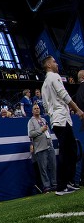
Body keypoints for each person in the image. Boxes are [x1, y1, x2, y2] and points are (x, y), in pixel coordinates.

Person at [41, 55, 84, 196]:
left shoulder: (44, 84)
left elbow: (46, 106)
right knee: (67, 151)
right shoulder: (54, 77)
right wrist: (77, 109)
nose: (57, 64)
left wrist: (54, 114)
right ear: (48, 65)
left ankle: (68, 182)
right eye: (54, 62)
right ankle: (61, 186)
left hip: (57, 119)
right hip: (62, 119)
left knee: (70, 149)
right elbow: (64, 94)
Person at [28, 104, 57, 193]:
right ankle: (46, 186)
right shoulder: (31, 121)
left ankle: (54, 184)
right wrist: (41, 130)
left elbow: (47, 131)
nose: (37, 110)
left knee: (53, 166)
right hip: (40, 147)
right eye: (35, 109)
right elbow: (30, 134)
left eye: (38, 108)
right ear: (32, 111)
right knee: (43, 168)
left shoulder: (43, 119)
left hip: (49, 145)